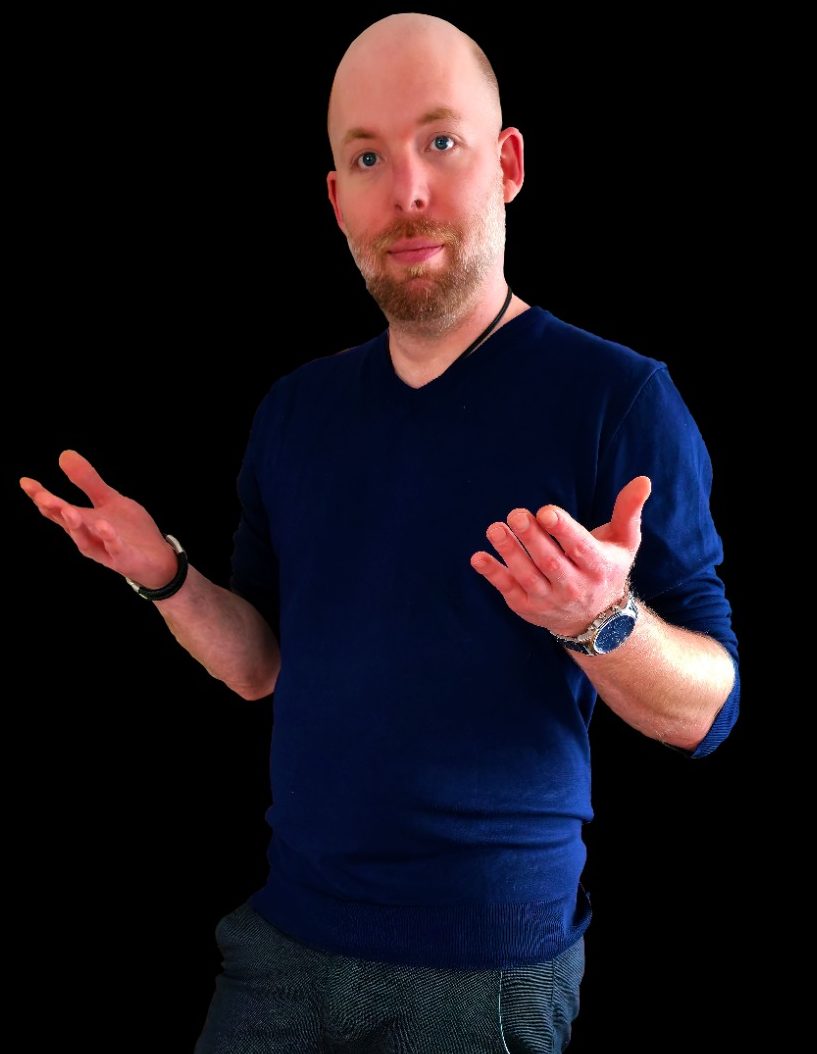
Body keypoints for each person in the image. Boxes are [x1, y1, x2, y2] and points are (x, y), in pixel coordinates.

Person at [19, 12, 740, 1053]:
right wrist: (164, 575)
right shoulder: (296, 412)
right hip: (284, 945)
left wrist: (600, 618)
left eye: (440, 142)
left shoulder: (616, 400)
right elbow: (261, 667)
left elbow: (705, 711)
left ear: (507, 164)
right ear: (335, 199)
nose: (406, 190)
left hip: (482, 973)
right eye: (367, 157)